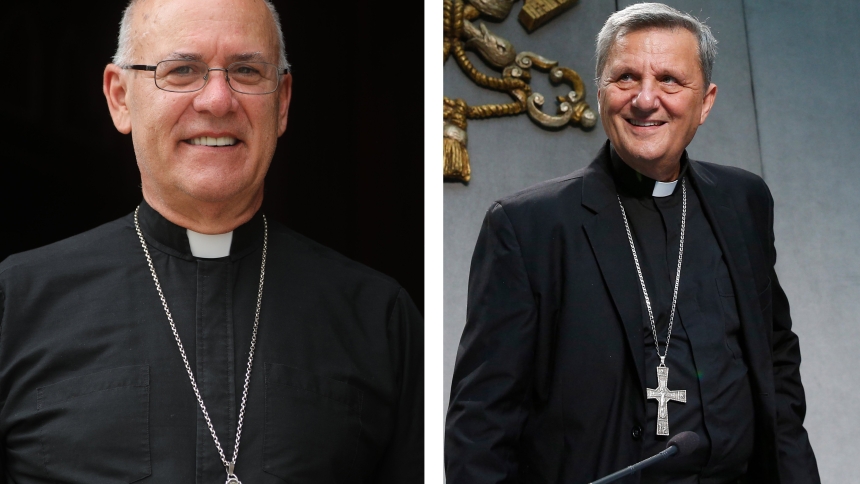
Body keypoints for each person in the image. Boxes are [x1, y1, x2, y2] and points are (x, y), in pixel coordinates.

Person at [0, 0, 423, 482]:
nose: (218, 100)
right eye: (181, 70)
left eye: (246, 70)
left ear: (282, 101)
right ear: (120, 97)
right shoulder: (16, 306)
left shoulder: (379, 320)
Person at [445, 3, 818, 483]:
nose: (646, 99)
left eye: (669, 80)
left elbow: (775, 356)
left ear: (705, 101)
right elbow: (481, 423)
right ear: (600, 94)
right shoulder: (528, 228)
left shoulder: (744, 201)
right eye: (625, 78)